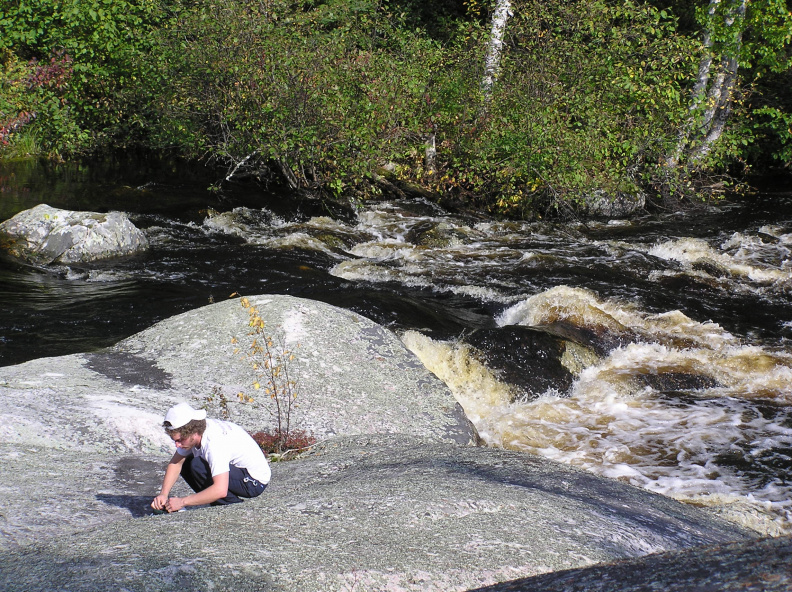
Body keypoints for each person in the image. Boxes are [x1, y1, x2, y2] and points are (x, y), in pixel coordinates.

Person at [151, 402, 271, 513]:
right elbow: (176, 463)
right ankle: (217, 502)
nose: (177, 445)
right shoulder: (195, 434)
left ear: (193, 432)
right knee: (186, 463)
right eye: (175, 441)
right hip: (238, 472)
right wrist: (163, 494)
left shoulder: (214, 442)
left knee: (196, 465)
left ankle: (231, 507)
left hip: (254, 481)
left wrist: (182, 502)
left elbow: (220, 489)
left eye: (180, 440)